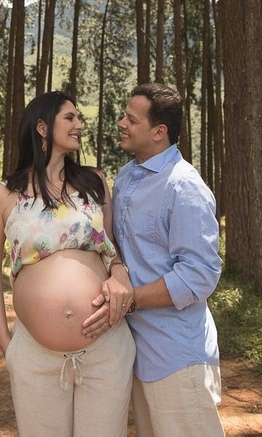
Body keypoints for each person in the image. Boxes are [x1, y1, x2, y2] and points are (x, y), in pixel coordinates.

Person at [0, 90, 136, 437]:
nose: (80, 124)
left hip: (106, 349)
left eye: (78, 117)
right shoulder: (4, 194)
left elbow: (111, 247)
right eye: (70, 118)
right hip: (35, 357)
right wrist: (4, 339)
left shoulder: (94, 181)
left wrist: (119, 271)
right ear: (42, 127)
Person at [90, 82, 224, 436]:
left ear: (159, 132)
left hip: (176, 355)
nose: (121, 123)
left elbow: (199, 276)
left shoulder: (184, 186)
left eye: (132, 120)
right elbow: (118, 245)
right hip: (138, 352)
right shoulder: (126, 176)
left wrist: (130, 299)